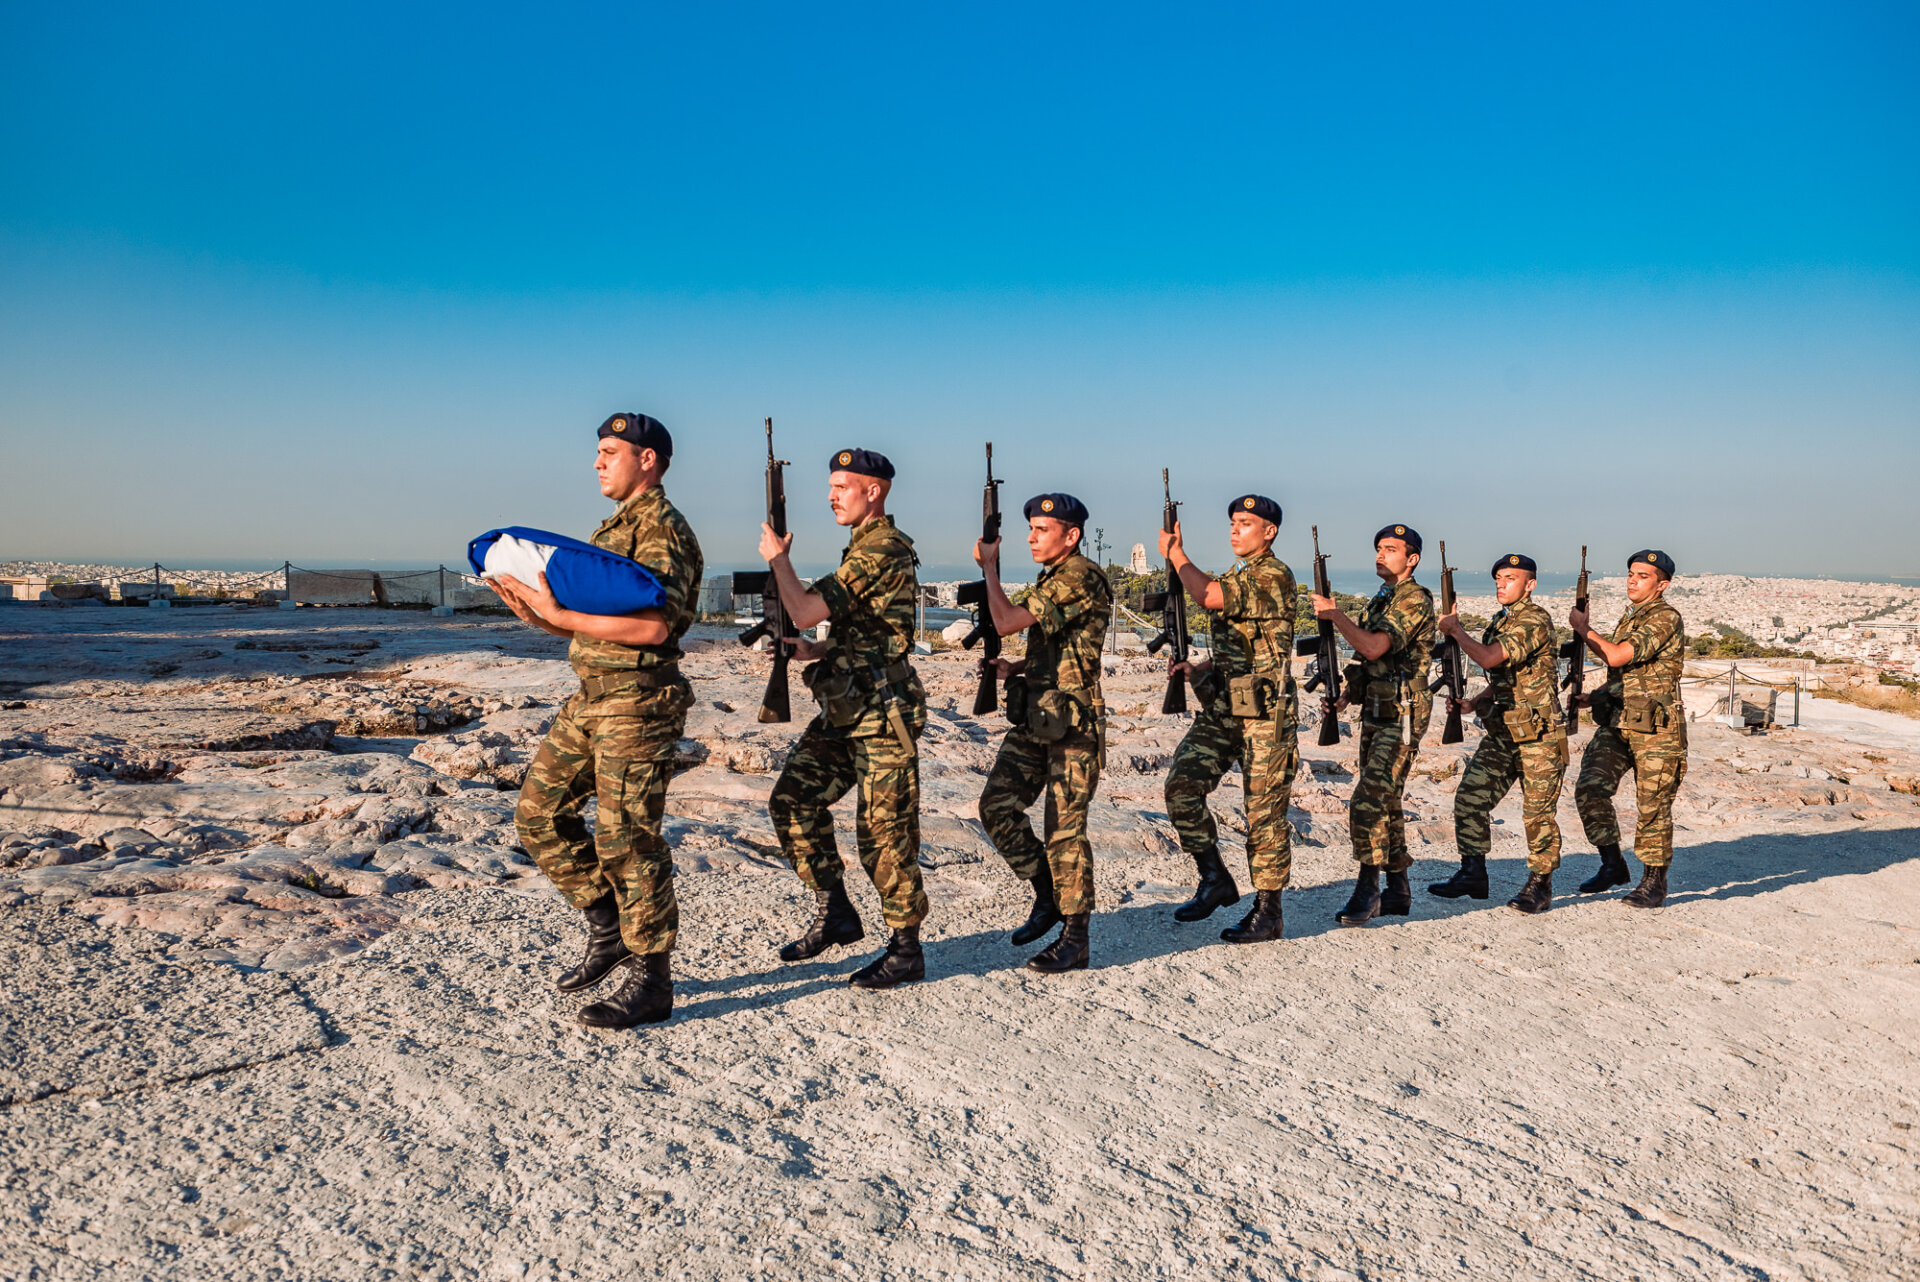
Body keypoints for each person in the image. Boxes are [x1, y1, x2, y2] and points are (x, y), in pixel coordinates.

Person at [492, 412, 703, 1030]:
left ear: (648, 459)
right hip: (593, 697)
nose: (597, 461)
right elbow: (582, 618)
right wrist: (537, 612)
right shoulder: (613, 527)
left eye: (610, 451)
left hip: (638, 700)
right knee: (538, 814)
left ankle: (651, 979)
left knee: (627, 838)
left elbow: (656, 627)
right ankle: (608, 927)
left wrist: (559, 612)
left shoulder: (662, 529)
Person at [757, 448, 930, 989]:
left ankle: (906, 951)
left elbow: (808, 607)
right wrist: (814, 652)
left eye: (843, 486)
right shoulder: (862, 548)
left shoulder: (881, 549)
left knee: (884, 833)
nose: (832, 496)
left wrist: (778, 560)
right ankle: (835, 911)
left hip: (882, 716)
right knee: (793, 799)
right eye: (830, 486)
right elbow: (860, 632)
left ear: (873, 492)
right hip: (848, 708)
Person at [973, 493, 1113, 972]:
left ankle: (1076, 939)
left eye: (1041, 530)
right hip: (1040, 715)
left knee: (1064, 830)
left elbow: (1007, 619)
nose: (1031, 537)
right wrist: (1018, 665)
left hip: (1072, 726)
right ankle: (1047, 894)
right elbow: (1060, 646)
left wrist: (989, 569)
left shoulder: (1079, 575)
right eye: (1030, 528)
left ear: (1071, 536)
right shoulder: (1055, 577)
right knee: (996, 806)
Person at [1157, 494, 1299, 943]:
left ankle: (1269, 911)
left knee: (1263, 813)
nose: (1235, 530)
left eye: (1245, 523)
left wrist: (1176, 553)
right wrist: (1197, 669)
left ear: (1269, 532)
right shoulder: (1240, 573)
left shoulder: (1275, 575)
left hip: (1263, 715)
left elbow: (1208, 595)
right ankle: (1214, 877)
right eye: (1233, 522)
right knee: (1181, 786)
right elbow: (1241, 649)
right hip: (1226, 708)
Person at [1429, 554, 1568, 912]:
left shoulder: (1535, 620)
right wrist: (1473, 703)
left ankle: (1540, 885)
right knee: (1470, 799)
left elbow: (1490, 659)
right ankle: (1473, 873)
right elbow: (1504, 676)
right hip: (1505, 731)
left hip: (1538, 734)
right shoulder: (1501, 621)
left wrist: (1456, 631)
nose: (1501, 584)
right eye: (1498, 579)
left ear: (1530, 585)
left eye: (1510, 578)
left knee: (1537, 813)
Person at [1311, 524, 1435, 927]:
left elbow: (1373, 645)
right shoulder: (1385, 598)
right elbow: (1369, 662)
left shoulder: (1414, 598)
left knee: (1369, 797)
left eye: (1391, 549)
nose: (1381, 554)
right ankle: (1398, 888)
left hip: (1402, 712)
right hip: (1378, 707)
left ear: (1412, 558)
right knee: (1386, 799)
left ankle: (1369, 888)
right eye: (1379, 548)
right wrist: (1347, 693)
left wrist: (1334, 614)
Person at [1567, 549, 1689, 908]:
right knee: (1590, 789)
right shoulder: (1633, 616)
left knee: (1652, 805)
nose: (1633, 580)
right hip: (1619, 721)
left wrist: (1583, 629)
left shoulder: (1665, 617)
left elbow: (1618, 656)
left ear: (1662, 585)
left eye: (1643, 576)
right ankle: (1612, 864)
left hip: (1656, 729)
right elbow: (1627, 674)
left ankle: (1654, 882)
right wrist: (1595, 696)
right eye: (1631, 573)